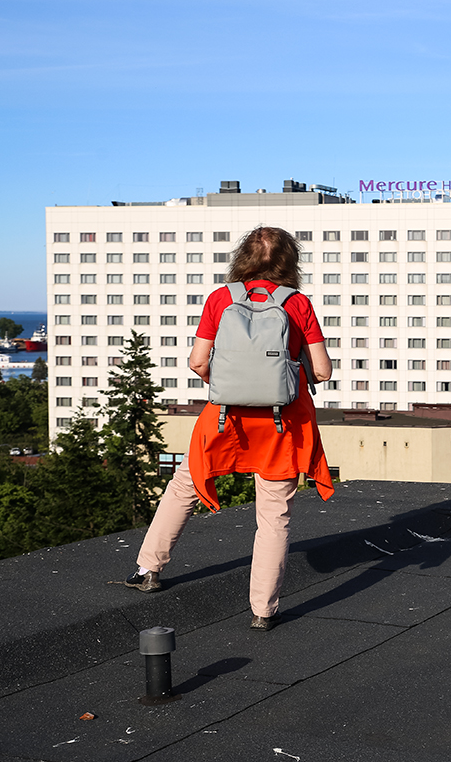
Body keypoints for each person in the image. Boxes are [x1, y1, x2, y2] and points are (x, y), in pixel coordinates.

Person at [125, 226, 336, 631]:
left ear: (243, 257)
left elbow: (197, 361)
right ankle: (262, 610)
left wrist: (231, 383)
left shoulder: (221, 299)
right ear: (290, 262)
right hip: (282, 423)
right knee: (274, 515)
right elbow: (322, 371)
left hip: (225, 418)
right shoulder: (298, 305)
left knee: (185, 484)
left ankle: (148, 570)